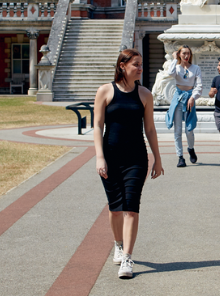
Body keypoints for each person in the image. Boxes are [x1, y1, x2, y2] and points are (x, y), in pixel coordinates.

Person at [91, 49, 164, 279]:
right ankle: (118, 244)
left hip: (136, 158)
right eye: (136, 64)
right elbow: (97, 125)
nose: (140, 68)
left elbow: (150, 129)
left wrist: (157, 158)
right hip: (111, 156)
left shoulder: (144, 94)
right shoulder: (105, 91)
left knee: (131, 207)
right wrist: (99, 156)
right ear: (122, 66)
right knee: (115, 209)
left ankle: (128, 258)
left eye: (141, 64)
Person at [165, 46, 204, 167]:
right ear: (179, 55)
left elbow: (199, 86)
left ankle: (191, 148)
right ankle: (180, 157)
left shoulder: (195, 68)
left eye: (188, 54)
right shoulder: (176, 67)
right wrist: (174, 59)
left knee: (189, 130)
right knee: (177, 131)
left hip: (190, 98)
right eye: (183, 54)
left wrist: (193, 97)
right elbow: (170, 73)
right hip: (178, 99)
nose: (186, 56)